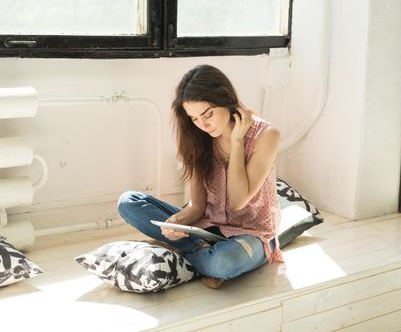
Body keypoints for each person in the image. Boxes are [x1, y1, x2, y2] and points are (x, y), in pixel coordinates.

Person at [117, 64, 282, 288]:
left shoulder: (266, 135)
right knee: (129, 202)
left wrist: (236, 142)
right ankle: (198, 253)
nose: (203, 125)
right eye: (194, 118)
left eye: (208, 114)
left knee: (224, 262)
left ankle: (185, 255)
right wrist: (177, 223)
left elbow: (238, 200)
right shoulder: (198, 137)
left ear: (226, 99)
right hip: (207, 228)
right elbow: (197, 207)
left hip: (252, 235)